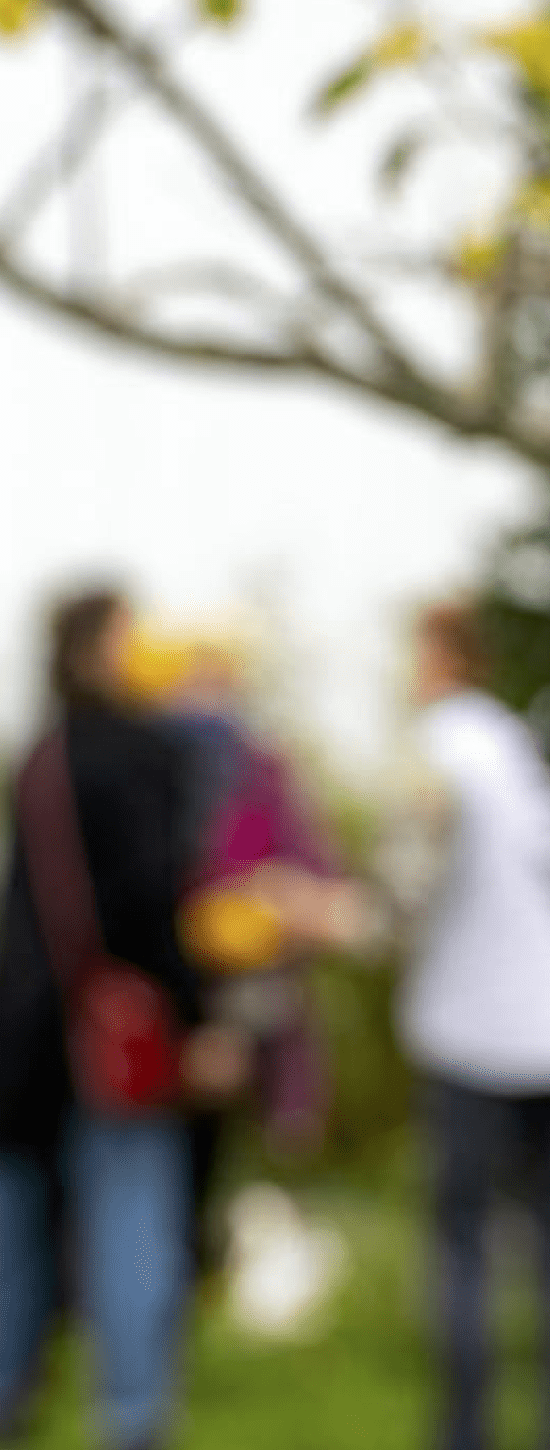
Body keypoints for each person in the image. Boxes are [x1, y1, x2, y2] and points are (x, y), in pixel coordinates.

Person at [387, 602, 550, 1450]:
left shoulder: (444, 744)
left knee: (464, 1244)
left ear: (442, 657)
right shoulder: (527, 743)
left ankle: (464, 1436)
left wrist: (364, 914)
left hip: (477, 1037)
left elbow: (412, 871)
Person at [0, 587, 247, 1450]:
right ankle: (133, 1419)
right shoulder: (146, 753)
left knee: (18, 1230)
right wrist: (199, 1014)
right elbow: (151, 901)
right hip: (121, 1036)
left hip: (24, 1036)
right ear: (100, 651)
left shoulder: (39, 757)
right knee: (133, 1216)